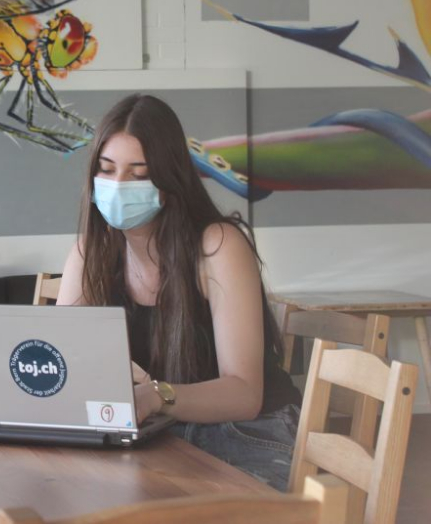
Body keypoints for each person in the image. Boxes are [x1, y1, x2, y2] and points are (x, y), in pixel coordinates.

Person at [55, 94, 300, 490]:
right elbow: (61, 361)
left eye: (138, 174)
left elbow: (244, 393)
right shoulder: (90, 253)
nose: (118, 186)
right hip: (160, 436)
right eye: (107, 169)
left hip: (249, 432)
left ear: (168, 181)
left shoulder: (217, 245)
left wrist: (155, 396)